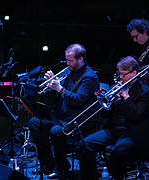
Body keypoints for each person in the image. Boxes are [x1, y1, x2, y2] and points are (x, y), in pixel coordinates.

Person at [28, 43, 100, 179]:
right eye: (67, 60)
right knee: (34, 123)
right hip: (61, 114)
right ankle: (49, 164)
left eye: (70, 60)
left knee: (55, 131)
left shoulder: (89, 77)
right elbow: (58, 95)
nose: (67, 63)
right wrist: (51, 84)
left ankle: (62, 168)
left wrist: (59, 88)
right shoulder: (69, 72)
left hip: (77, 118)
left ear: (80, 59)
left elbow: (78, 100)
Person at [78, 56, 149, 180]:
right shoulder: (117, 87)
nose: (120, 77)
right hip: (114, 130)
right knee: (84, 144)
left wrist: (126, 98)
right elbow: (105, 115)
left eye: (123, 74)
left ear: (134, 73)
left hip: (132, 133)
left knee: (118, 151)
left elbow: (136, 116)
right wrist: (110, 103)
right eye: (119, 74)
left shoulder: (145, 92)